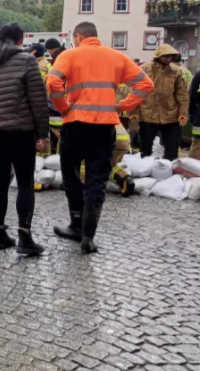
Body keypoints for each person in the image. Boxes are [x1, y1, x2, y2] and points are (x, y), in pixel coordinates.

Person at [46, 21, 153, 254]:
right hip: (104, 127)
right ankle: (88, 235)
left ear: (77, 37)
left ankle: (75, 224)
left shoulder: (70, 55)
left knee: (71, 175)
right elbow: (146, 84)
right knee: (97, 181)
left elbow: (53, 82)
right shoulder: (117, 57)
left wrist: (63, 107)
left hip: (75, 125)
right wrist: (121, 106)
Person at [0, 24, 49, 256]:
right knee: (25, 183)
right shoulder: (27, 61)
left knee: (0, 180)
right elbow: (38, 101)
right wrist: (42, 134)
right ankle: (24, 238)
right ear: (19, 40)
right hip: (20, 131)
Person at [136, 44, 189, 161]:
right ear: (159, 55)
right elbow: (136, 92)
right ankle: (144, 166)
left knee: (172, 146)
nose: (168, 58)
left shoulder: (176, 71)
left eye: (171, 56)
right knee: (145, 148)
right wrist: (133, 112)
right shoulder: (144, 69)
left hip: (170, 114)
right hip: (148, 114)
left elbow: (182, 94)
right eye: (166, 56)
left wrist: (183, 113)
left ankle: (169, 168)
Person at [43, 38, 65, 152]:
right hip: (63, 103)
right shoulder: (65, 55)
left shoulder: (58, 60)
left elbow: (52, 83)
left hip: (56, 104)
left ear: (51, 50)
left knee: (60, 134)